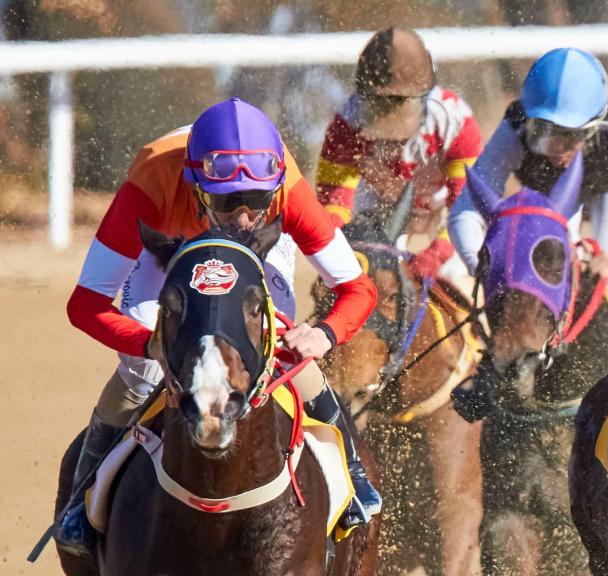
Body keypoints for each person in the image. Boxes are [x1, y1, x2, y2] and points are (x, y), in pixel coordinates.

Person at [58, 99, 379, 554]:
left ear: (276, 188)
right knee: (143, 368)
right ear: (196, 188)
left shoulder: (286, 186)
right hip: (171, 248)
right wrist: (149, 345)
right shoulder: (150, 186)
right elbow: (85, 304)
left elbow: (358, 288)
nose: (245, 218)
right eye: (228, 202)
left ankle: (355, 480)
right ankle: (81, 499)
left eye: (258, 202)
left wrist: (322, 334)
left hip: (255, 255)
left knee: (278, 348)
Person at [448, 47, 608, 315]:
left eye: (569, 135)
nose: (555, 147)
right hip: (546, 199)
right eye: (543, 130)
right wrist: (482, 266)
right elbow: (465, 211)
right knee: (548, 273)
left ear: (596, 124)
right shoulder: (515, 127)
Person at [316, 27, 482, 283]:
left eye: (400, 107)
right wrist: (343, 256)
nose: (391, 123)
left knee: (457, 279)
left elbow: (468, 210)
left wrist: (435, 256)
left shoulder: (456, 120)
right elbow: (333, 206)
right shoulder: (346, 124)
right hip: (376, 210)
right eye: (379, 107)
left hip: (443, 213)